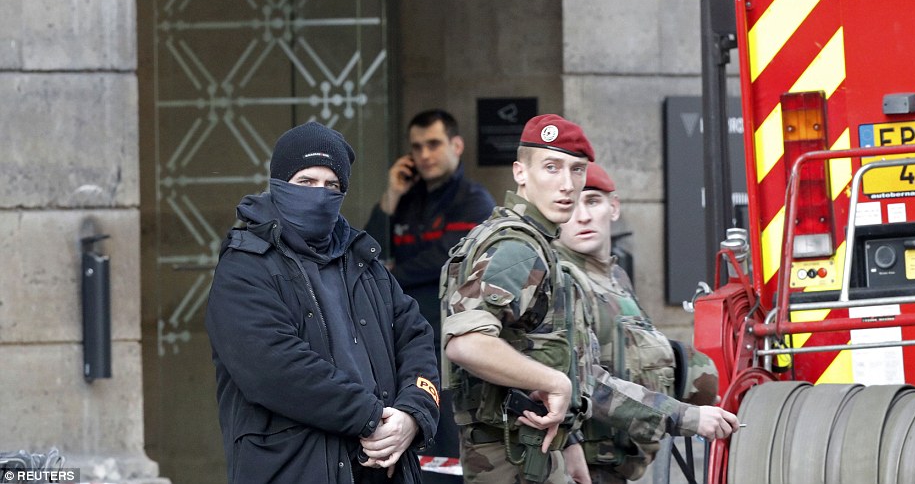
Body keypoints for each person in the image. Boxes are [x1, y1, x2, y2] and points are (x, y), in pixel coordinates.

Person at [440, 114, 738, 484]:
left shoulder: (543, 250)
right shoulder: (517, 247)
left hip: (539, 452)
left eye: (577, 170)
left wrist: (570, 442)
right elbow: (466, 343)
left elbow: (555, 357)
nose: (567, 185)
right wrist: (557, 383)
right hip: (512, 458)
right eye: (551, 167)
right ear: (521, 172)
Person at [206, 121, 441, 484]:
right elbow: (274, 368)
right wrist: (372, 417)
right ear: (279, 185)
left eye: (332, 185)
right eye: (306, 182)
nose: (320, 194)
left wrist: (413, 414)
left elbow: (416, 338)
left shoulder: (365, 261)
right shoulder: (245, 265)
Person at [555, 162, 720, 484]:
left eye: (592, 201)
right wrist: (684, 416)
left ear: (613, 207)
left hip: (617, 467)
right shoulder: (561, 280)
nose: (583, 216)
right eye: (572, 205)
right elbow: (586, 383)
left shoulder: (616, 277)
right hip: (578, 470)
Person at [365, 109, 495, 482]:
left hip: (452, 348)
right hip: (400, 345)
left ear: (457, 145)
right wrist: (391, 195)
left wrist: (392, 276)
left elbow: (446, 260)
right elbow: (367, 250)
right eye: (417, 146)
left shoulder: (474, 201)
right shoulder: (407, 199)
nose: (424, 154)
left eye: (434, 144)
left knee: (447, 454)